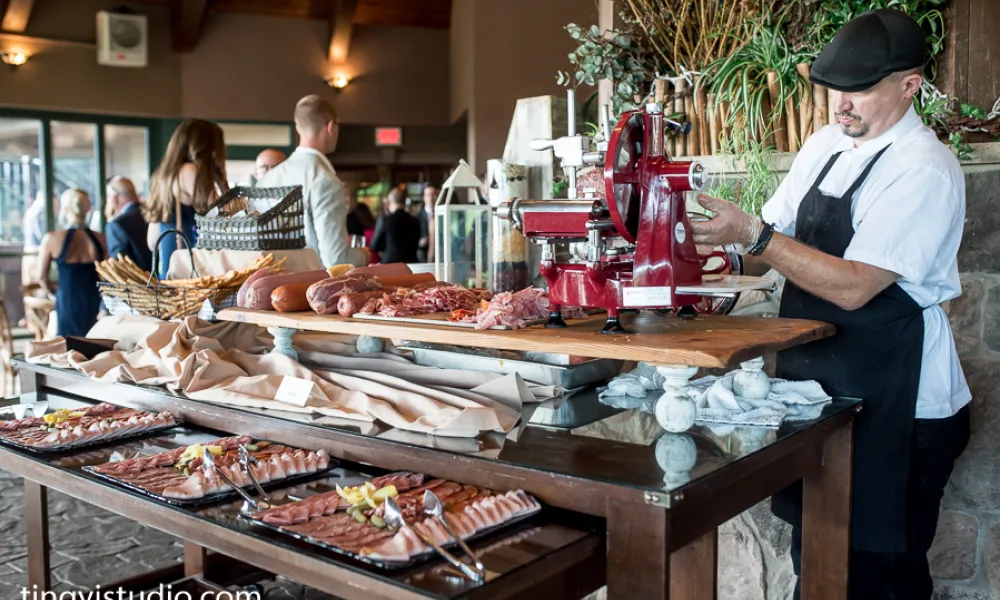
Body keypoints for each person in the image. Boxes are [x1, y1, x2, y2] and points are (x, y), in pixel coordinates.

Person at [690, 10, 970, 599]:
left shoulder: (923, 167)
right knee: (816, 562)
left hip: (903, 410)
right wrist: (712, 261)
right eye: (834, 88)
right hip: (825, 394)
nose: (841, 103)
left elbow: (855, 286)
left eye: (859, 89)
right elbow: (773, 243)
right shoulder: (825, 144)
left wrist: (756, 237)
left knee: (877, 580)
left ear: (909, 85)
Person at [259, 95, 365, 267]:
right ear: (330, 127)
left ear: (298, 127)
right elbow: (336, 260)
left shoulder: (268, 179)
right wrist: (362, 255)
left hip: (269, 283)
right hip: (307, 287)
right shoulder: (324, 180)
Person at [144, 119, 228, 280]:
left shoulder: (163, 176)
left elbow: (152, 241)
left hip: (170, 265)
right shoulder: (189, 171)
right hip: (188, 270)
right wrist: (221, 176)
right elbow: (219, 216)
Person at [35, 189, 107, 338]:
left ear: (66, 208)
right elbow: (106, 275)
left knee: (68, 343)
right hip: (92, 297)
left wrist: (52, 294)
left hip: (67, 297)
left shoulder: (52, 238)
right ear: (87, 209)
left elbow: (41, 277)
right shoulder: (100, 239)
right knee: (92, 341)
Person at [104, 176, 153, 272]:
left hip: (135, 285)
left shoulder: (117, 225)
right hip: (161, 281)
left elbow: (119, 267)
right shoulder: (153, 215)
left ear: (115, 197)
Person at [371, 188, 421, 264]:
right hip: (411, 266)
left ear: (389, 202)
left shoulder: (385, 220)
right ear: (404, 202)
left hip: (389, 267)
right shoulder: (415, 221)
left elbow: (374, 246)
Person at [417, 184, 437, 262]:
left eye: (433, 194)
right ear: (424, 197)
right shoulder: (417, 217)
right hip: (422, 255)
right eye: (428, 195)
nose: (431, 198)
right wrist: (421, 242)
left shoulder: (442, 215)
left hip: (440, 255)